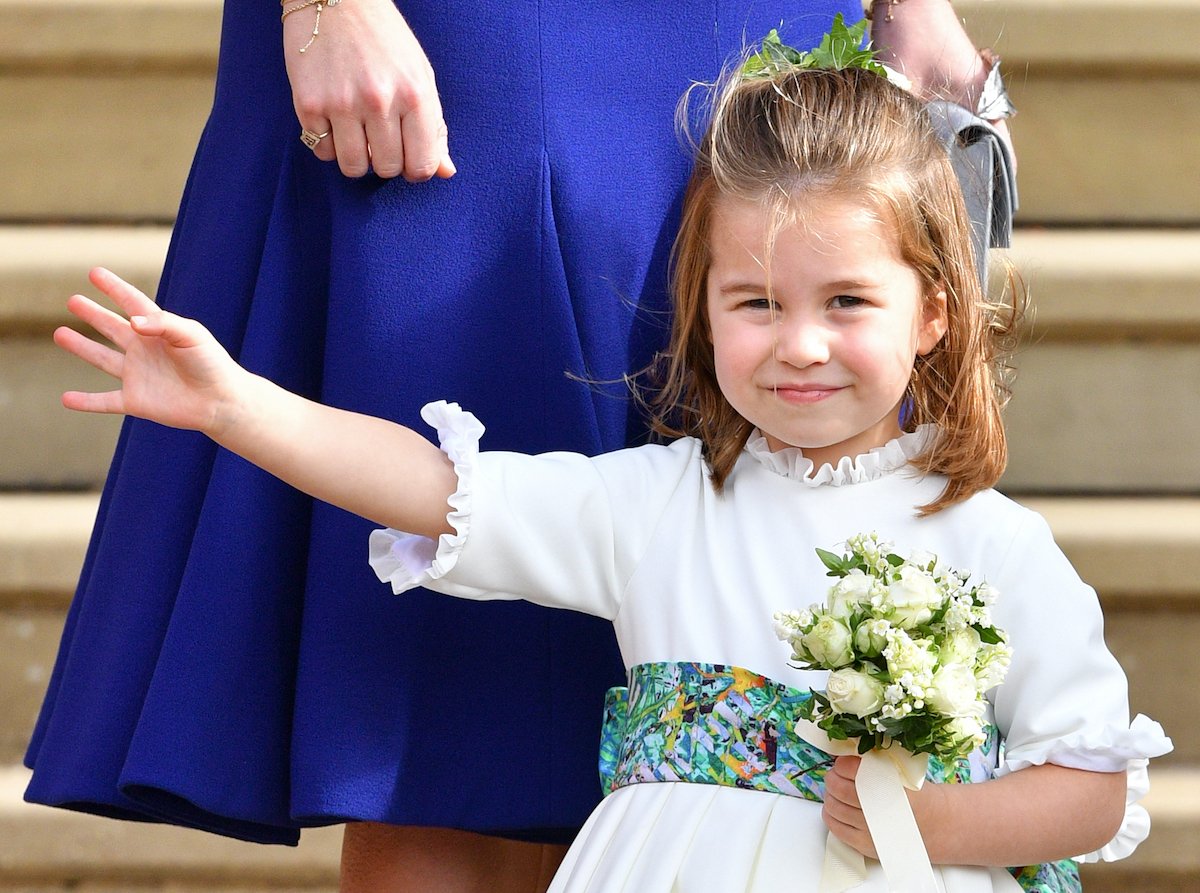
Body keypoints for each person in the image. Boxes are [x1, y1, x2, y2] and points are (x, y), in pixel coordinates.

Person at [52, 56, 1168, 893]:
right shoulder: (663, 501)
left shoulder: (988, 542)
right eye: (756, 303)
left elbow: (1094, 783)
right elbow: (436, 488)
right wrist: (232, 401)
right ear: (705, 309)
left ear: (932, 310)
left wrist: (930, 822)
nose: (800, 344)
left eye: (847, 303)